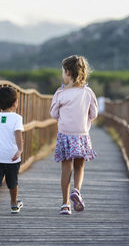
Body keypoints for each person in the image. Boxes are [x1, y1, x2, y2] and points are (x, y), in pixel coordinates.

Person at [50, 55, 98, 215]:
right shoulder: (88, 92)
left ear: (68, 73)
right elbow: (94, 113)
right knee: (79, 166)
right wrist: (84, 120)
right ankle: (76, 190)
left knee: (66, 167)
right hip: (82, 135)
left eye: (63, 71)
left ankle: (65, 204)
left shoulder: (60, 94)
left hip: (65, 135)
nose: (62, 74)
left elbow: (53, 114)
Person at [0, 86, 24, 216]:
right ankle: (14, 204)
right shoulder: (17, 118)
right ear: (15, 103)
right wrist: (20, 150)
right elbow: (18, 134)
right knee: (12, 182)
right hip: (12, 156)